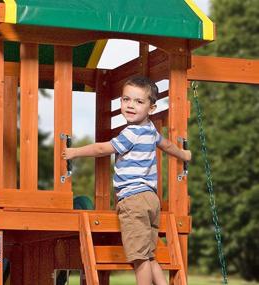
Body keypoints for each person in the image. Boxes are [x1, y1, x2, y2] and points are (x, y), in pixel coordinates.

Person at [62, 76, 191, 285]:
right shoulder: (151, 130)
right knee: (149, 255)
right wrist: (184, 155)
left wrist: (75, 152)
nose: (130, 105)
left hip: (133, 200)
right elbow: (167, 145)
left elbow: (102, 149)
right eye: (126, 99)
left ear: (151, 108)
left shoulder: (130, 133)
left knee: (139, 258)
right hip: (151, 199)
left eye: (139, 102)